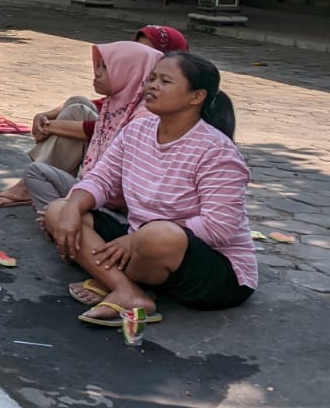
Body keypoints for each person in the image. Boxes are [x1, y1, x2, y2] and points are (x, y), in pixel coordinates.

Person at [45, 52, 255, 325]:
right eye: (152, 78)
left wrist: (136, 240)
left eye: (165, 81)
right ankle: (128, 290)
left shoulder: (217, 152)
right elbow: (101, 180)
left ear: (196, 97)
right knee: (58, 210)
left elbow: (219, 228)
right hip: (142, 245)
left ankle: (112, 279)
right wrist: (73, 207)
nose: (152, 86)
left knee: (159, 235)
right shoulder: (137, 130)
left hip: (214, 271)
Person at [0, 41, 161, 211]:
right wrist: (44, 116)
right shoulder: (116, 102)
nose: (97, 73)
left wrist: (50, 126)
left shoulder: (144, 119)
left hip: (112, 199)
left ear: (131, 70)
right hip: (96, 189)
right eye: (98, 66)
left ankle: (64, 216)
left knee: (43, 182)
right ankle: (61, 214)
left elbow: (117, 180)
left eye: (106, 67)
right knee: (75, 106)